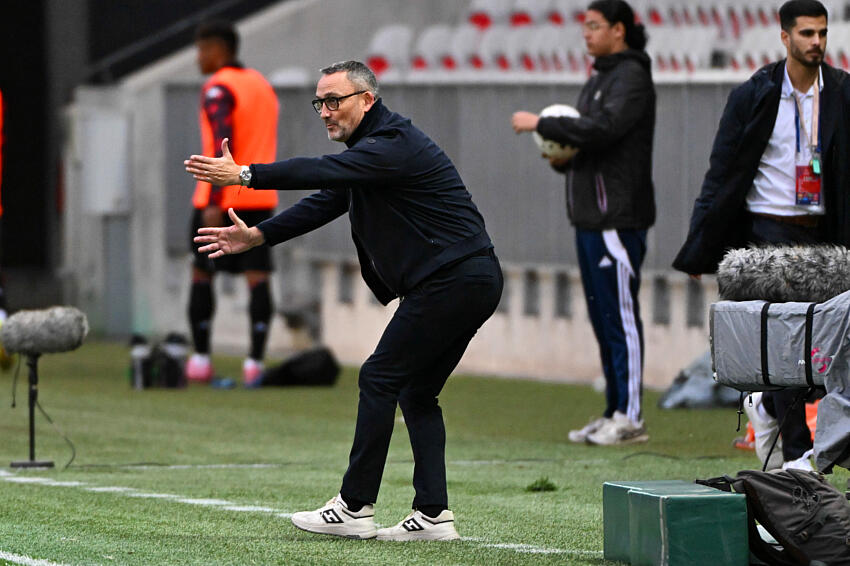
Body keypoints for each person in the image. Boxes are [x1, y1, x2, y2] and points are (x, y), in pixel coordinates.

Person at [185, 60, 502, 541]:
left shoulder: (391, 145)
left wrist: (245, 174)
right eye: (320, 102)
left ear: (367, 100)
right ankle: (433, 515)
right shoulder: (372, 152)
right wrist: (258, 237)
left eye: (335, 101)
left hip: (454, 280)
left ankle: (355, 506)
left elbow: (320, 170)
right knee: (416, 391)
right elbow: (327, 198)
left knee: (379, 375)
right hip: (468, 278)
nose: (325, 112)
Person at [673, 0, 850, 471]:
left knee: (822, 346)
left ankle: (769, 408)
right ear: (784, 36)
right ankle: (796, 454)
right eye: (807, 33)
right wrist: (700, 244)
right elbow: (722, 172)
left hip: (824, 236)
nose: (816, 42)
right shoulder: (754, 94)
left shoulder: (842, 92)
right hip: (766, 230)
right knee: (789, 344)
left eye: (822, 33)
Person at [510, 0, 655, 446]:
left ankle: (630, 417)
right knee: (601, 316)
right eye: (584, 27)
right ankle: (613, 409)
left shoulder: (631, 76)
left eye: (594, 26)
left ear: (619, 30)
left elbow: (603, 130)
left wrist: (543, 122)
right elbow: (587, 142)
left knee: (621, 318)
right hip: (590, 218)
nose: (586, 34)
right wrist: (560, 157)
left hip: (617, 219)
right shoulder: (600, 77)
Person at [185, 20, 279, 386]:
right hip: (259, 194)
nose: (199, 58)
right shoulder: (262, 86)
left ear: (220, 50)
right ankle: (254, 364)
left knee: (201, 274)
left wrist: (213, 198)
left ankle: (200, 361)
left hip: (221, 195)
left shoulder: (218, 87)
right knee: (258, 278)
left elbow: (223, 141)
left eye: (203, 49)